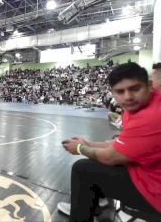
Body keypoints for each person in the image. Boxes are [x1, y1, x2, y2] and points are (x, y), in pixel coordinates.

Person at [58, 63, 161, 222]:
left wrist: (79, 148)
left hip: (154, 194)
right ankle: (94, 202)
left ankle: (84, 211)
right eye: (120, 91)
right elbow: (119, 146)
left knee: (83, 168)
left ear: (149, 85)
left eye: (135, 88)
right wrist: (88, 143)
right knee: (108, 147)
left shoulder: (150, 116)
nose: (128, 96)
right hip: (148, 171)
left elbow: (110, 157)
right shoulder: (138, 106)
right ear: (113, 93)